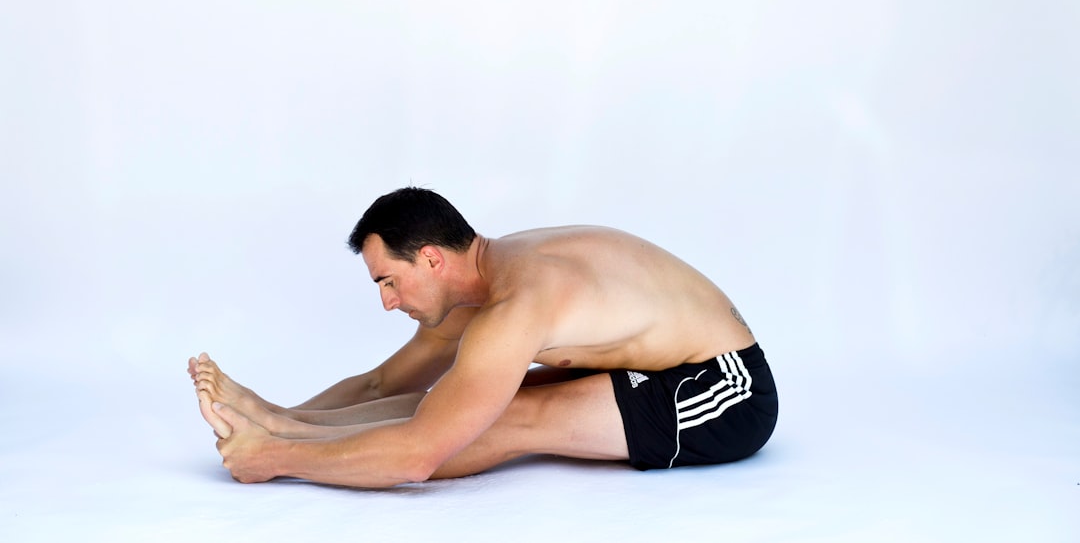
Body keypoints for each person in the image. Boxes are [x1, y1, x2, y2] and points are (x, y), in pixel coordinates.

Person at [189, 187, 778, 487]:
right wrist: (273, 413)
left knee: (502, 419)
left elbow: (420, 454)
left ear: (430, 259)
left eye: (390, 281)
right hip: (659, 361)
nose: (387, 301)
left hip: (726, 387)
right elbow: (382, 382)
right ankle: (279, 427)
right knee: (458, 405)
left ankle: (277, 445)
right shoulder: (485, 279)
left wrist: (275, 459)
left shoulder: (518, 302)